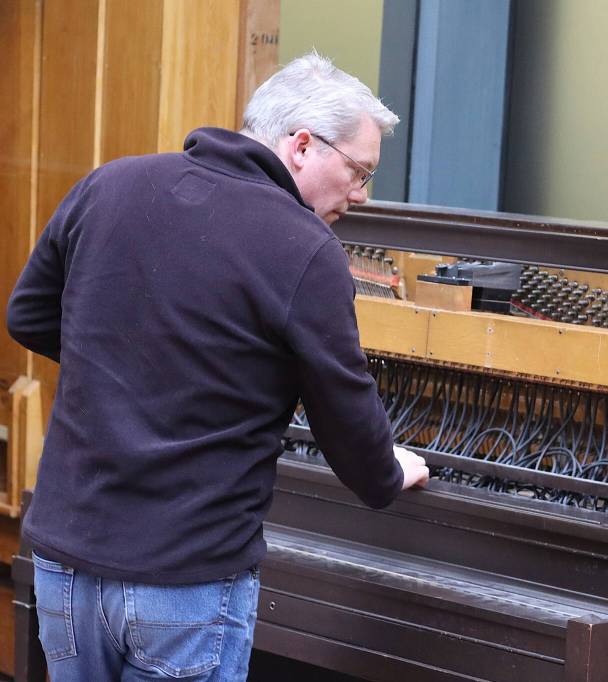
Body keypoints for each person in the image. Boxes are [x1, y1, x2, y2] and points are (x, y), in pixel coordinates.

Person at [6, 53, 430, 681]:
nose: (362, 194)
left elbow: (28, 316)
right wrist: (389, 470)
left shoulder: (111, 184)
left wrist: (131, 358)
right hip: (184, 581)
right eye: (360, 170)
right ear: (303, 146)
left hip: (66, 563)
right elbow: (347, 418)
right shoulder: (305, 248)